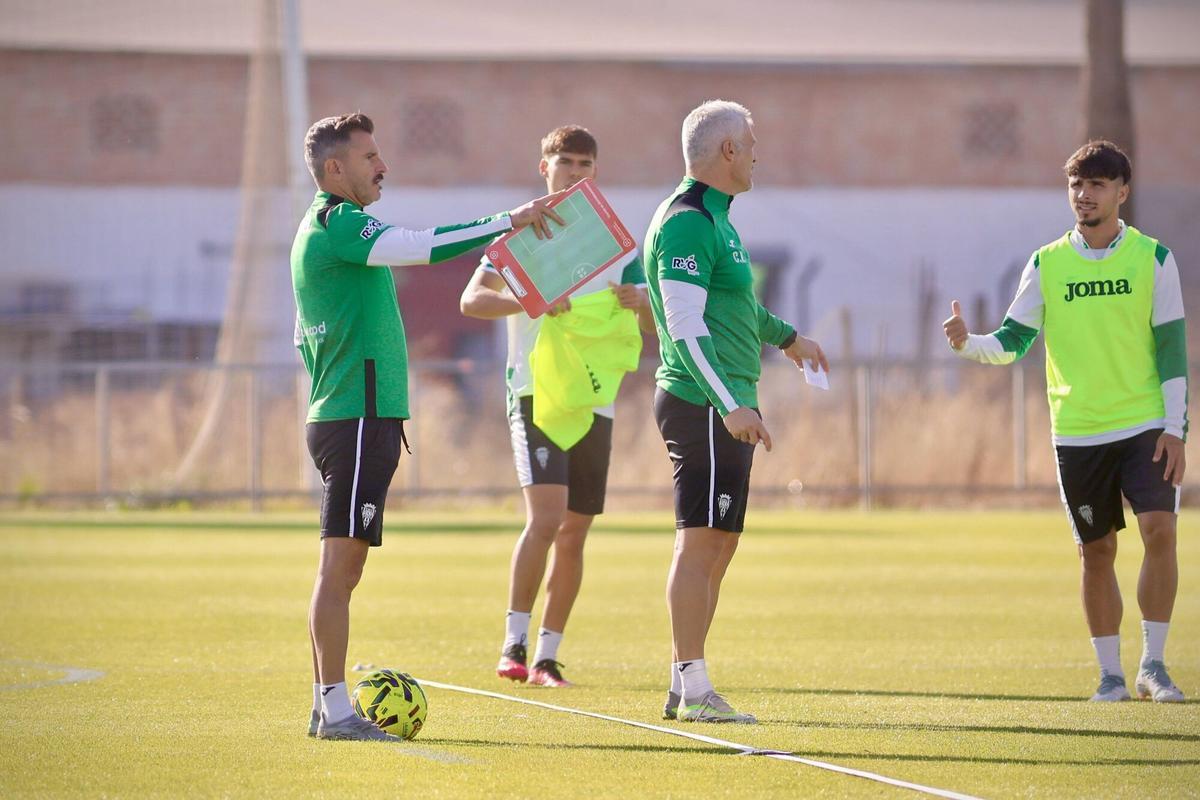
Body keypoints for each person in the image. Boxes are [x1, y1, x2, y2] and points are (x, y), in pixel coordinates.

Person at [291, 112, 565, 740]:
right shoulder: (339, 223)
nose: (382, 166)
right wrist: (509, 219)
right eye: (369, 157)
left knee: (344, 570)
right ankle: (334, 712)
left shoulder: (327, 227)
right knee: (339, 571)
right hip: (354, 418)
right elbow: (419, 245)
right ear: (337, 169)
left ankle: (327, 706)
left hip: (357, 417)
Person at [943, 140, 1187, 703]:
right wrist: (968, 344)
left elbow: (1172, 349)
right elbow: (1012, 340)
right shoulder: (1046, 262)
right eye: (1077, 185)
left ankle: (1154, 664)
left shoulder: (1154, 259)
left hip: (1146, 422)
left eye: (1097, 184)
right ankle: (1110, 675)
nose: (1084, 195)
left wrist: (1175, 427)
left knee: (1160, 531)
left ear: (1122, 192)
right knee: (1096, 550)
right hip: (1077, 431)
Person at [643, 100, 828, 723]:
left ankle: (684, 681)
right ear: (727, 152)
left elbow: (735, 308)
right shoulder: (687, 222)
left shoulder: (718, 221)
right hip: (702, 403)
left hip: (723, 401)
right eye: (750, 143)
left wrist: (788, 338)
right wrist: (729, 404)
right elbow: (685, 326)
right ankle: (694, 689)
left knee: (719, 542)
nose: (756, 153)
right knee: (700, 543)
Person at [460, 125, 655, 688]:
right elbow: (472, 300)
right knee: (545, 518)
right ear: (543, 167)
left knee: (575, 530)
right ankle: (512, 644)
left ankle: (547, 657)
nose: (575, 172)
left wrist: (643, 302)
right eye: (564, 161)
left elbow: (653, 323)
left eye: (585, 164)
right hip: (535, 392)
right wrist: (533, 297)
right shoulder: (520, 234)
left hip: (595, 399)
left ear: (596, 172)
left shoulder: (618, 245)